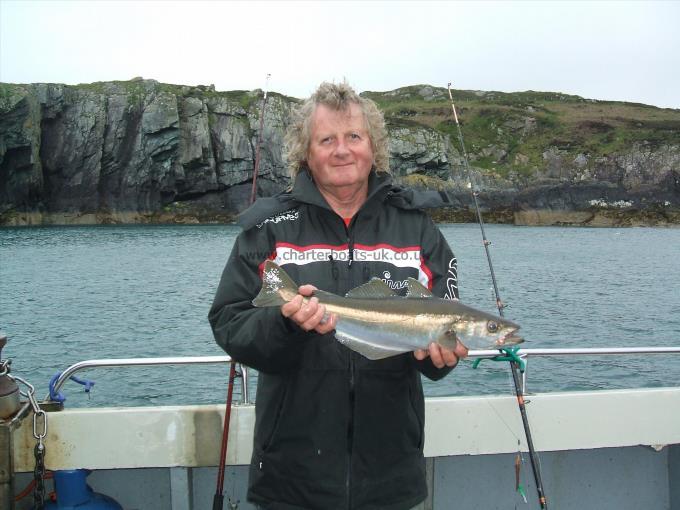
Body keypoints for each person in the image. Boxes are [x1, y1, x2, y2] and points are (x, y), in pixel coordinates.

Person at [209, 81, 468, 510]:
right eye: (326, 139)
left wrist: (440, 359)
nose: (342, 150)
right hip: (291, 483)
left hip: (391, 481)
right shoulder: (268, 231)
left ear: (374, 147)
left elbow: (442, 332)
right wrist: (285, 324)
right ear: (306, 152)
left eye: (354, 137)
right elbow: (229, 323)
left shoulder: (419, 231)